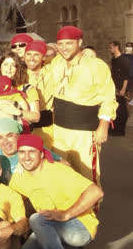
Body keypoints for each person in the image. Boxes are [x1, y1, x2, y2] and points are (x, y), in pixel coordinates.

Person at [10, 134, 103, 249]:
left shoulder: (58, 171)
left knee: (37, 220)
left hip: (79, 226)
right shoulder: (19, 176)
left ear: (41, 153)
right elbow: (11, 199)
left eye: (31, 152)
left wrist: (66, 214)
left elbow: (96, 192)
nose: (26, 157)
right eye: (22, 152)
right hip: (49, 224)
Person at [49, 26, 117, 185]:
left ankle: (91, 209)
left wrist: (103, 126)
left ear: (80, 42)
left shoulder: (96, 65)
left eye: (69, 43)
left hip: (84, 131)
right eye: (60, 44)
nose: (64, 47)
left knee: (86, 176)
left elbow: (108, 97)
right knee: (62, 175)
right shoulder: (56, 62)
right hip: (58, 129)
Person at [0, 118, 61, 185]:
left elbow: (64, 164)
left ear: (18, 136)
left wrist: (34, 164)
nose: (5, 142)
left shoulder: (31, 147)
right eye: (0, 138)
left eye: (10, 135)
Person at [0, 52, 40, 125]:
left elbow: (36, 117)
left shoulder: (27, 89)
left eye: (13, 65)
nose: (9, 68)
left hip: (19, 133)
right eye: (5, 64)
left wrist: (18, 112)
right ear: (0, 67)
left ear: (18, 68)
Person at [24, 41, 55, 148]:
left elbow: (66, 58)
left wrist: (86, 51)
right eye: (28, 54)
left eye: (36, 54)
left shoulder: (51, 70)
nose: (31, 58)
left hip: (48, 126)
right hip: (26, 126)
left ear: (43, 57)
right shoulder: (19, 74)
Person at [109, 40, 130, 135]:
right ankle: (114, 128)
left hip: (121, 88)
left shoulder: (124, 60)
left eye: (111, 47)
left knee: (122, 110)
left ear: (116, 47)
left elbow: (126, 76)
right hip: (114, 87)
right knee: (115, 108)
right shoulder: (113, 60)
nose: (110, 49)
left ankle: (120, 130)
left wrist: (123, 89)